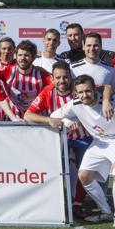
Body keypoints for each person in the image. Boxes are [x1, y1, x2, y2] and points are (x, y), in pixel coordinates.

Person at [50, 75, 115, 226]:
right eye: (80, 92)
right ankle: (106, 212)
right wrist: (70, 121)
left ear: (95, 89)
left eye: (88, 91)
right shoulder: (75, 103)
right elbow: (54, 116)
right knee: (83, 175)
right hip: (99, 142)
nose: (84, 95)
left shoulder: (113, 102)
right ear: (76, 93)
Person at [24, 61, 90, 218]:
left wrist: (107, 98)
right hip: (59, 140)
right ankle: (55, 203)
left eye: (65, 77)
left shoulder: (80, 88)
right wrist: (49, 120)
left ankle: (77, 205)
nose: (62, 81)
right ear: (52, 79)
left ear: (71, 77)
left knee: (85, 172)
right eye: (58, 78)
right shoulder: (48, 92)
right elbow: (28, 115)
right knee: (55, 170)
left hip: (83, 138)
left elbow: (105, 88)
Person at [0, 40, 51, 118]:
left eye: (26, 55)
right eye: (20, 55)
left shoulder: (41, 75)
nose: (22, 58)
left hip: (34, 119)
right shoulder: (8, 71)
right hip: (14, 119)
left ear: (33, 58)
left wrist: (49, 74)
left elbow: (57, 82)